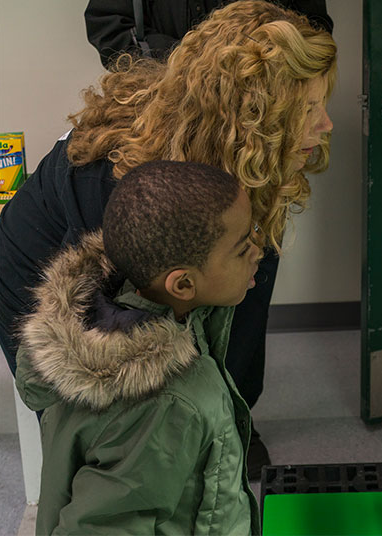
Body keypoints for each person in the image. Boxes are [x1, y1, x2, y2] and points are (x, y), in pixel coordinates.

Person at [0, 0, 335, 479]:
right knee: (116, 446)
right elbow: (107, 356)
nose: (327, 126)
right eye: (307, 110)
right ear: (251, 119)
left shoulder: (224, 149)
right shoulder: (136, 191)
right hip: (45, 274)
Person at [15, 160, 263, 535]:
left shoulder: (161, 307)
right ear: (182, 285)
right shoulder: (161, 407)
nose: (258, 251)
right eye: (243, 247)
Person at [84, 0, 333, 69]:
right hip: (165, 123)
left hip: (257, 126)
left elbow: (314, 32)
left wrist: (256, 63)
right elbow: (108, 28)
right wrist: (195, 63)